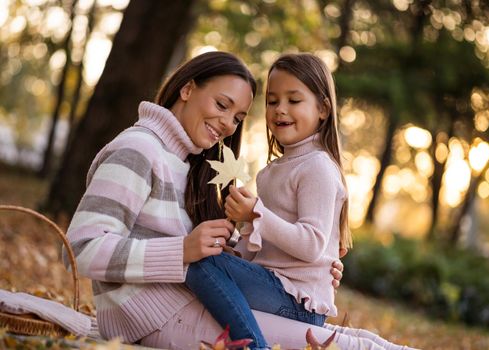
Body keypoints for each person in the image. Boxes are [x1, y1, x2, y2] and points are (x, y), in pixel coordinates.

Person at [63, 51, 347, 350]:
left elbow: (206, 251)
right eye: (222, 105)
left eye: (238, 118)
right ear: (187, 89)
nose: (227, 124)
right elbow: (81, 250)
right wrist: (183, 250)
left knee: (349, 342)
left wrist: (310, 274)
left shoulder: (189, 165)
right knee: (343, 345)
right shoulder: (138, 150)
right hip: (155, 316)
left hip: (188, 304)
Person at [185, 53, 417, 350]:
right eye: (272, 101)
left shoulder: (317, 166)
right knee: (209, 259)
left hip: (296, 298)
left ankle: (255, 346)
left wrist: (256, 215)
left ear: (322, 109)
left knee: (201, 264)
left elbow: (310, 244)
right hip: (272, 285)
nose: (280, 110)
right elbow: (263, 245)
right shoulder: (270, 172)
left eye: (294, 101)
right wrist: (236, 253)